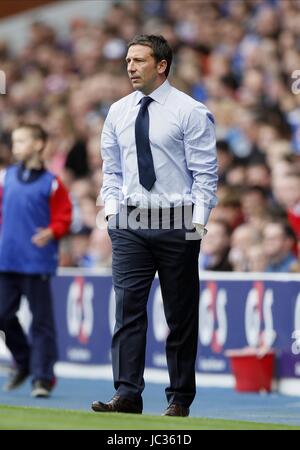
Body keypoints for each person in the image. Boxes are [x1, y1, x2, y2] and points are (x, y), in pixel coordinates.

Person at [92, 35, 217, 417]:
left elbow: (205, 174)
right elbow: (111, 169)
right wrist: (113, 216)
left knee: (180, 315)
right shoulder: (117, 111)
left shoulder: (191, 111)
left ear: (161, 65)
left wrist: (197, 226)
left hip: (177, 222)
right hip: (129, 222)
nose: (130, 66)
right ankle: (127, 394)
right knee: (127, 310)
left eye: (139, 60)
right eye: (128, 60)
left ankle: (179, 398)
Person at [0, 123, 72, 397]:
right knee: (2, 314)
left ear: (39, 145)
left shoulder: (52, 183)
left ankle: (43, 377)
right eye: (14, 141)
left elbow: (64, 216)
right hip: (6, 260)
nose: (15, 146)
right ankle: (25, 358)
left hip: (37, 262)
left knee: (42, 322)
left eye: (21, 141)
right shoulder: (5, 178)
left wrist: (52, 231)